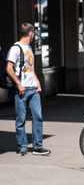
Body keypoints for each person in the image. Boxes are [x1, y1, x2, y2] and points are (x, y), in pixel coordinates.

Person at [6, 23, 50, 156]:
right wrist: (19, 84)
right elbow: (9, 68)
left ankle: (38, 146)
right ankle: (22, 147)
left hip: (33, 89)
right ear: (30, 33)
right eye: (33, 33)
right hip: (22, 89)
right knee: (21, 119)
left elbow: (30, 68)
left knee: (38, 117)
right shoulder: (15, 48)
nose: (34, 36)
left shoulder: (29, 48)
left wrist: (37, 81)